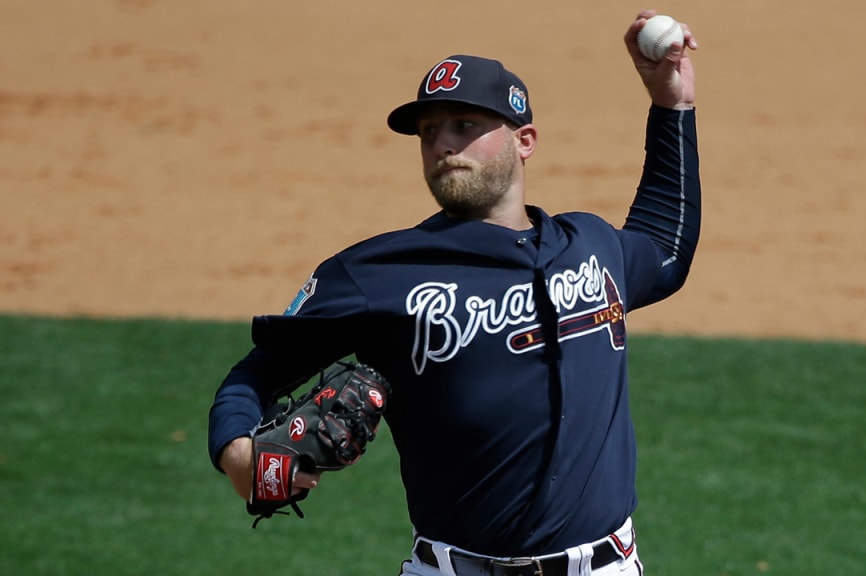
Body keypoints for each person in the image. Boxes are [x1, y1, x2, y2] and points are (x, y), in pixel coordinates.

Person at [208, 9, 701, 576]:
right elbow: (258, 371)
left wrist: (672, 105)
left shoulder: (590, 246)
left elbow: (664, 247)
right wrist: (237, 452)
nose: (443, 142)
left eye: (465, 125)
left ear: (525, 141)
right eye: (429, 132)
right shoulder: (378, 272)